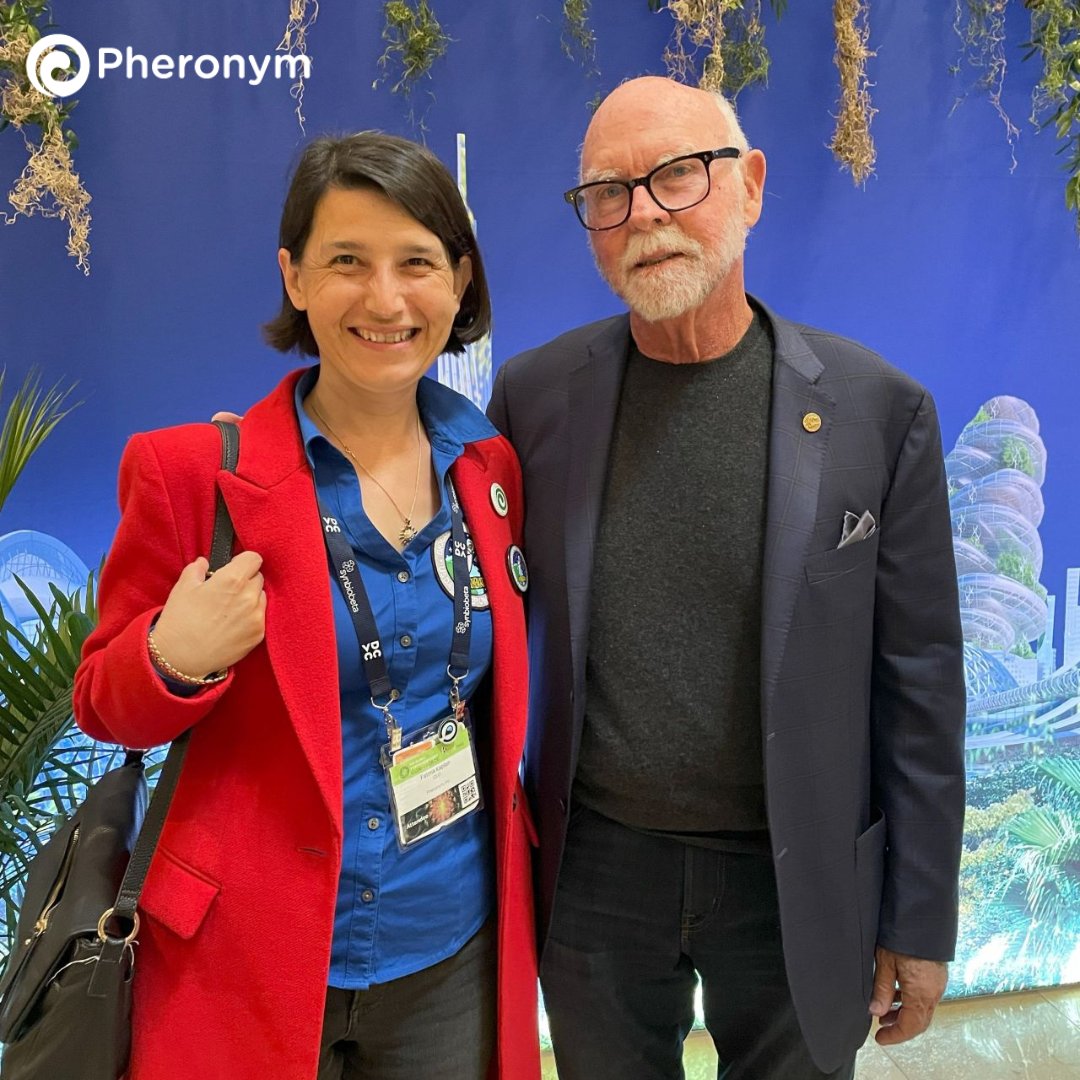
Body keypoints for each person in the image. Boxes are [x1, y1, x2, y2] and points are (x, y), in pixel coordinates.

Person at [487, 75, 966, 1080]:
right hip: (597, 871)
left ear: (748, 185)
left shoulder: (880, 411)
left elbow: (921, 688)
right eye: (609, 194)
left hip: (793, 874)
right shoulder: (532, 400)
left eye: (677, 176)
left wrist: (920, 920)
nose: (645, 216)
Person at [74, 132, 540, 1080]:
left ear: (458, 283)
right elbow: (102, 702)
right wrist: (174, 657)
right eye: (345, 263)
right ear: (293, 277)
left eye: (417, 264)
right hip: (248, 953)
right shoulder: (192, 476)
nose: (384, 299)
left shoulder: (491, 470)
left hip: (451, 947)